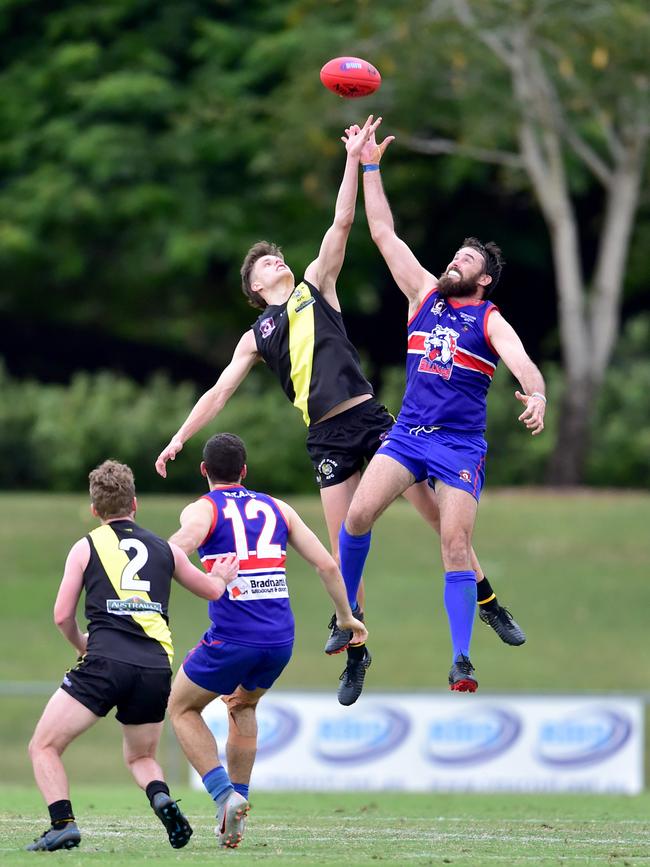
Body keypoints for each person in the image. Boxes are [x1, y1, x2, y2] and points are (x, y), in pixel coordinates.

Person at [155, 115, 523, 708]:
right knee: (339, 547)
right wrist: (178, 437)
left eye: (277, 258)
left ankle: (486, 600)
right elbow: (218, 393)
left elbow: (346, 222)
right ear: (253, 285)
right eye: (265, 264)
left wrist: (355, 159)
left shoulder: (315, 284)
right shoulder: (256, 334)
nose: (277, 262)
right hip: (324, 438)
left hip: (372, 421)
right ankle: (356, 649)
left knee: (437, 520)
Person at [335, 122, 546, 694]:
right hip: (407, 434)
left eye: (466, 260)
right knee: (356, 517)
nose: (454, 261)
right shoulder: (423, 295)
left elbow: (521, 359)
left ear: (484, 280)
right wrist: (368, 165)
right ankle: (346, 614)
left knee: (454, 544)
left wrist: (536, 391)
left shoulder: (488, 318)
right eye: (455, 255)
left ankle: (461, 660)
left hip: (458, 445)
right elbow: (381, 231)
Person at [166, 432, 367, 849]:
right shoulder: (277, 507)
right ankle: (240, 805)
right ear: (244, 471)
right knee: (242, 703)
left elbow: (172, 552)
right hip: (280, 640)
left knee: (181, 707)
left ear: (204, 470)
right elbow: (329, 565)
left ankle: (225, 796)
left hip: (232, 637)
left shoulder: (203, 509)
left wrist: (210, 581)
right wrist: (347, 618)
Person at [26, 460, 239, 852]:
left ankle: (62, 823)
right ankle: (161, 798)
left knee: (44, 745)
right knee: (141, 756)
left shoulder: (85, 546)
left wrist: (80, 645)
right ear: (135, 504)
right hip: (155, 667)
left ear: (94, 510)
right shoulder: (166, 549)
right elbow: (210, 590)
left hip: (105, 662)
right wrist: (222, 578)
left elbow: (61, 615)